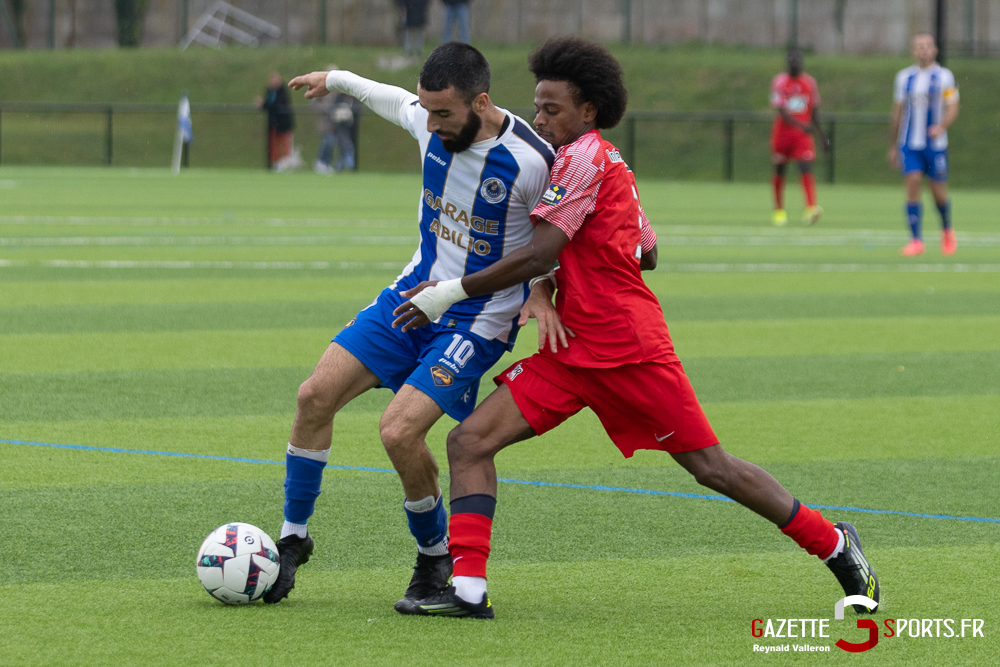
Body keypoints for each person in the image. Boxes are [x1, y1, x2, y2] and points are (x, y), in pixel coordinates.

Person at [391, 36, 880, 619]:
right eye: (539, 106)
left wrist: (451, 293)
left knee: (713, 469)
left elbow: (541, 248)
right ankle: (467, 591)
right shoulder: (602, 162)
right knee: (469, 441)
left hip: (630, 351)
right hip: (570, 350)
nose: (539, 118)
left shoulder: (583, 159)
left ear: (588, 112)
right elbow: (647, 249)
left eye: (552, 109)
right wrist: (554, 282)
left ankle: (834, 543)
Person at [264, 42, 554, 609]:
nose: (431, 123)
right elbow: (388, 96)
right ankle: (294, 540)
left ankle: (433, 557)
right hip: (410, 297)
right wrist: (337, 76)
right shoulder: (428, 119)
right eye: (428, 111)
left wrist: (542, 291)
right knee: (314, 396)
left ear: (482, 101)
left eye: (444, 113)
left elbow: (557, 242)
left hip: (477, 319)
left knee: (399, 432)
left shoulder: (531, 161)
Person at [888, 33, 959, 257]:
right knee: (913, 183)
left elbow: (953, 106)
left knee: (938, 192)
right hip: (909, 143)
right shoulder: (903, 78)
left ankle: (947, 230)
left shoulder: (945, 76)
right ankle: (916, 240)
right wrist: (893, 145)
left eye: (927, 46)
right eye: (918, 46)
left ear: (935, 50)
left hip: (935, 145)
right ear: (913, 51)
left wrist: (941, 126)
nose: (923, 50)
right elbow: (898, 111)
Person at [769, 48, 829, 226]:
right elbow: (781, 111)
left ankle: (811, 208)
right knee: (780, 170)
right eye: (791, 58)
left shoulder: (810, 83)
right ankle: (779, 211)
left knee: (806, 167)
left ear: (802, 61)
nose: (794, 61)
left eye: (797, 58)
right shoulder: (780, 82)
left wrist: (822, 135)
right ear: (786, 61)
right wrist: (801, 125)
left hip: (802, 136)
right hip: (783, 134)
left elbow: (814, 111)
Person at [313, 66, 361, 174]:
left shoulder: (337, 89)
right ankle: (321, 162)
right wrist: (327, 109)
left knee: (334, 142)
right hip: (325, 120)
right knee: (328, 141)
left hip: (336, 122)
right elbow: (314, 102)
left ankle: (328, 163)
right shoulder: (321, 87)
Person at [257, 72, 296, 170]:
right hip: (272, 123)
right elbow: (269, 106)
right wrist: (263, 104)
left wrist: (265, 104)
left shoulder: (282, 91)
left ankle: (287, 165)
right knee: (273, 145)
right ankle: (275, 164)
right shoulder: (269, 92)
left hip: (283, 123)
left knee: (286, 144)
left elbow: (277, 105)